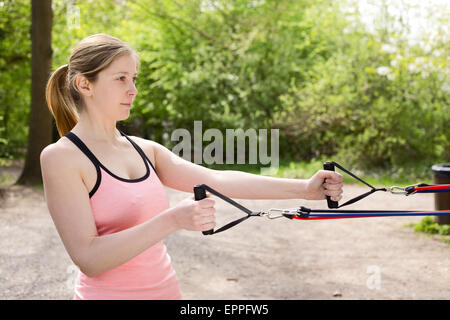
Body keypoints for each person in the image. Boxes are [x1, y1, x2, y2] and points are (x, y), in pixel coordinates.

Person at [40, 34, 344, 300]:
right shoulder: (61, 158)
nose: (133, 89)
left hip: (167, 292)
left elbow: (217, 179)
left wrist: (303, 189)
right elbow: (89, 258)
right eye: (121, 78)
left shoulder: (144, 149)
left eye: (134, 78)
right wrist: (172, 220)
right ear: (85, 84)